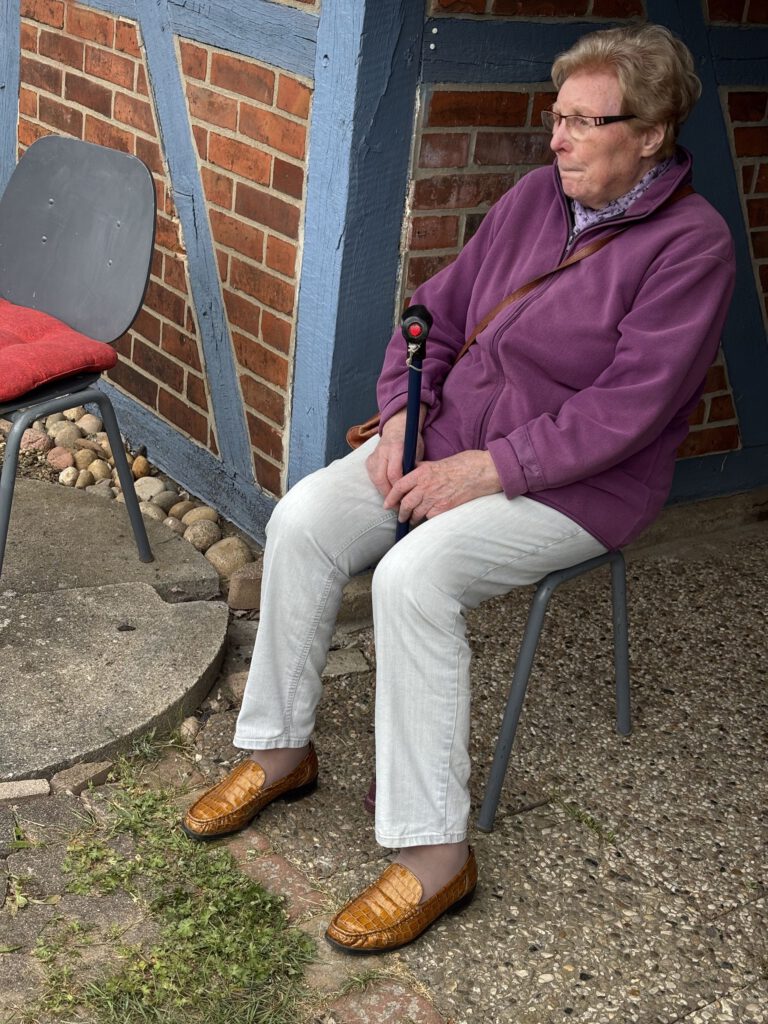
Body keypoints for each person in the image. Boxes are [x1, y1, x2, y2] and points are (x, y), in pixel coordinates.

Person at [183, 23, 735, 953]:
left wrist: (487, 470)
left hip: (578, 487)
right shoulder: (535, 197)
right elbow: (430, 317)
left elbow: (626, 412)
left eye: (584, 123)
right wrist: (405, 416)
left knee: (414, 578)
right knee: (306, 517)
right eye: (556, 118)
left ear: (651, 134)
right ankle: (279, 748)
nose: (557, 140)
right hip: (449, 442)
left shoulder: (693, 246)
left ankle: (436, 851)